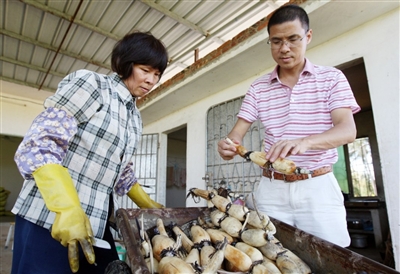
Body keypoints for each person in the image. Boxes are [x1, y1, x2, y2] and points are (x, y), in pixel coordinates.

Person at [11, 31, 168, 274]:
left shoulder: (134, 117)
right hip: (49, 219)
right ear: (126, 64)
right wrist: (67, 208)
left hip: (96, 223)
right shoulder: (93, 85)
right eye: (145, 70)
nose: (151, 80)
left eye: (156, 74)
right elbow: (41, 144)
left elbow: (121, 172)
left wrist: (152, 207)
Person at [217, 4, 360, 247]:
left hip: (318, 188)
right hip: (271, 189)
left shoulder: (332, 78)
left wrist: (305, 142)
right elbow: (236, 135)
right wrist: (228, 146)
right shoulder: (258, 87)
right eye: (276, 41)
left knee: (331, 257)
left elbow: (348, 131)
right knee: (271, 256)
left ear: (308, 36)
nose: (284, 48)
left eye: (293, 39)